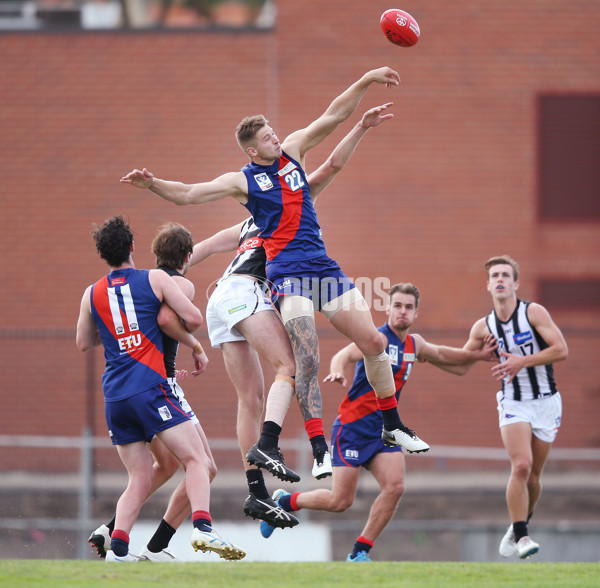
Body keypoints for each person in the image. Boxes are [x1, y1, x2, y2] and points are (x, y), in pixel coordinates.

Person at [121, 67, 430, 482]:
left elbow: (333, 115)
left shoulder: (294, 152)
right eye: (267, 137)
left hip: (322, 265)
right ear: (252, 151)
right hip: (288, 274)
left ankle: (392, 424)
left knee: (374, 341)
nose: (275, 138)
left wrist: (366, 79)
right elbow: (189, 194)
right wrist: (154, 184)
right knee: (304, 357)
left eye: (273, 132)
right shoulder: (242, 182)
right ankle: (312, 447)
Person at [186, 104, 396, 528]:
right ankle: (283, 446)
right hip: (247, 295)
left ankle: (256, 492)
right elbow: (328, 168)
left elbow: (203, 246)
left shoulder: (250, 224)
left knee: (251, 398)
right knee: (292, 364)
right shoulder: (273, 219)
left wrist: (167, 282)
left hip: (222, 302)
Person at [259, 283, 498, 561]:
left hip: (385, 431)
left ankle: (360, 552)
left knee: (395, 487)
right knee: (341, 502)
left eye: (408, 307)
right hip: (352, 428)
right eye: (397, 306)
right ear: (388, 309)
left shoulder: (414, 344)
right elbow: (344, 355)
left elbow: (444, 355)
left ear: (416, 313)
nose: (402, 312)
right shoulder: (377, 339)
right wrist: (337, 371)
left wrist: (477, 355)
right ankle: (284, 501)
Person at [76, 216, 245, 562]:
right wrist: (195, 345)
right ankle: (202, 528)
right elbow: (191, 319)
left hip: (115, 396)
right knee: (197, 460)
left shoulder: (90, 293)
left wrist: (116, 333)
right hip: (152, 387)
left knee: (141, 475)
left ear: (102, 254)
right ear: (133, 248)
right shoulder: (154, 279)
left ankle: (117, 546)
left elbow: (83, 342)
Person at [461, 255, 568, 559]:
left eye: (506, 275)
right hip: (513, 401)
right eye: (495, 275)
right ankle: (522, 537)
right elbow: (463, 359)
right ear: (488, 285)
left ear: (515, 283)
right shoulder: (483, 326)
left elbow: (561, 349)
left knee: (533, 476)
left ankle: (518, 525)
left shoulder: (533, 312)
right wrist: (427, 353)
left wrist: (523, 361)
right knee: (520, 465)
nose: (500, 279)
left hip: (547, 401)